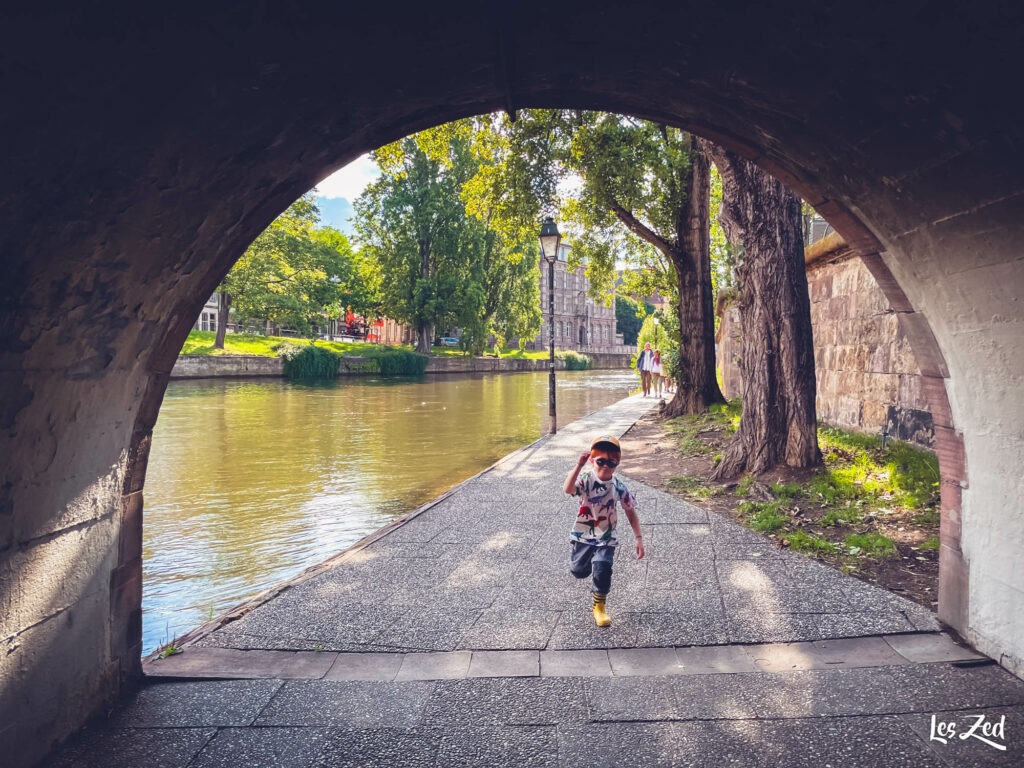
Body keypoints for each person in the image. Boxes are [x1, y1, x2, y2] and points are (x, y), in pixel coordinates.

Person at [562, 435, 644, 626]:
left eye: (611, 462)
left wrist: (638, 538)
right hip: (583, 535)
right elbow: (567, 489)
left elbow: (630, 512)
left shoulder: (618, 487)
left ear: (617, 464)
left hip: (607, 537)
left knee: (602, 567)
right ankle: (589, 565)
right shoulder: (585, 479)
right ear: (592, 461)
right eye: (601, 461)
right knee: (579, 571)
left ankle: (599, 606)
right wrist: (578, 466)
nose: (605, 466)